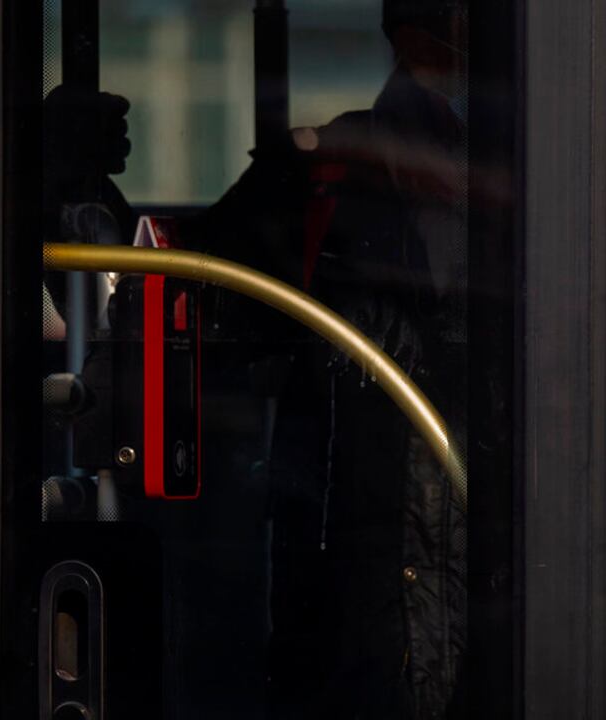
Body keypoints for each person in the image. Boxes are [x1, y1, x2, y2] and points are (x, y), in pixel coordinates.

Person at [42, 2, 468, 717]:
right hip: (366, 606)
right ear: (424, 34)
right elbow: (166, 314)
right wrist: (68, 190)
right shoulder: (324, 180)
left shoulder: (544, 184)